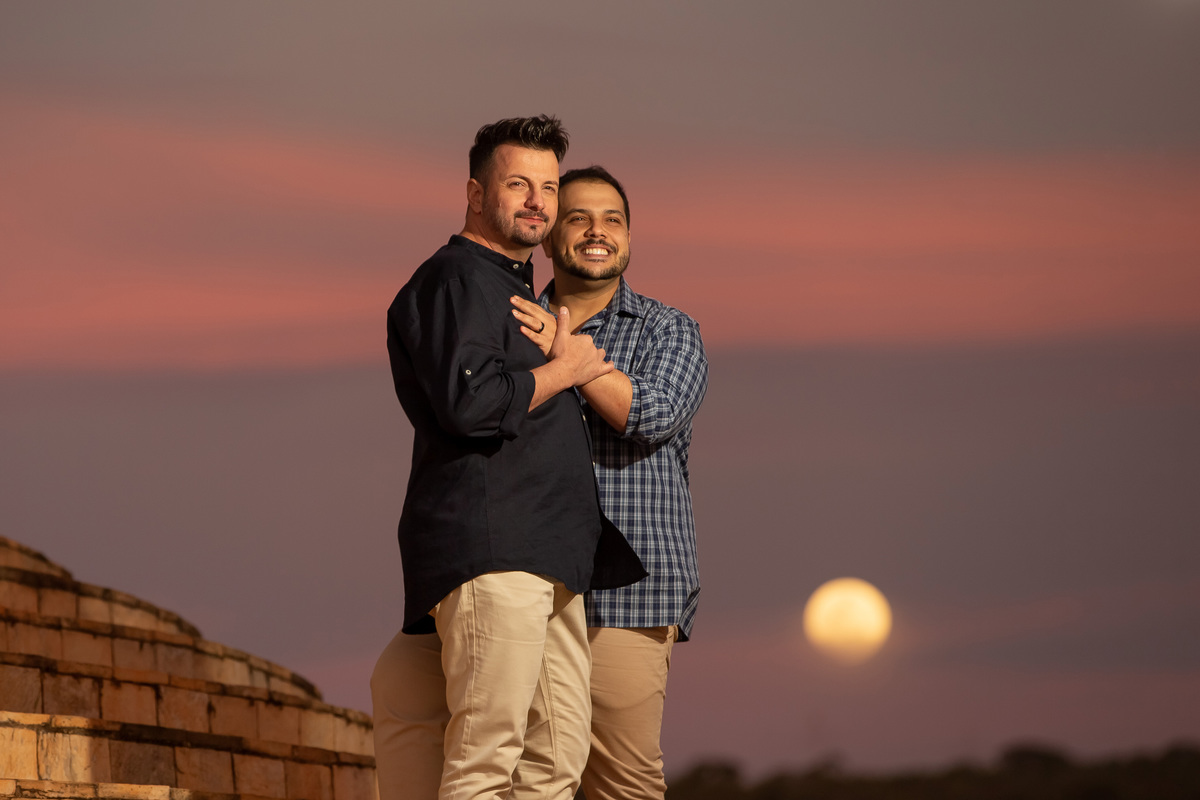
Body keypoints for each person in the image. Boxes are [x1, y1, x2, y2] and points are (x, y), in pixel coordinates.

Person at [374, 164, 708, 800]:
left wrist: (569, 361)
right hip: (513, 564)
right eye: (577, 216)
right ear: (552, 233)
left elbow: (652, 415)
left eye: (614, 219)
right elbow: (470, 405)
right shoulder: (505, 309)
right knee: (463, 733)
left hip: (624, 596)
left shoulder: (666, 329)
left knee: (616, 781)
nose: (596, 232)